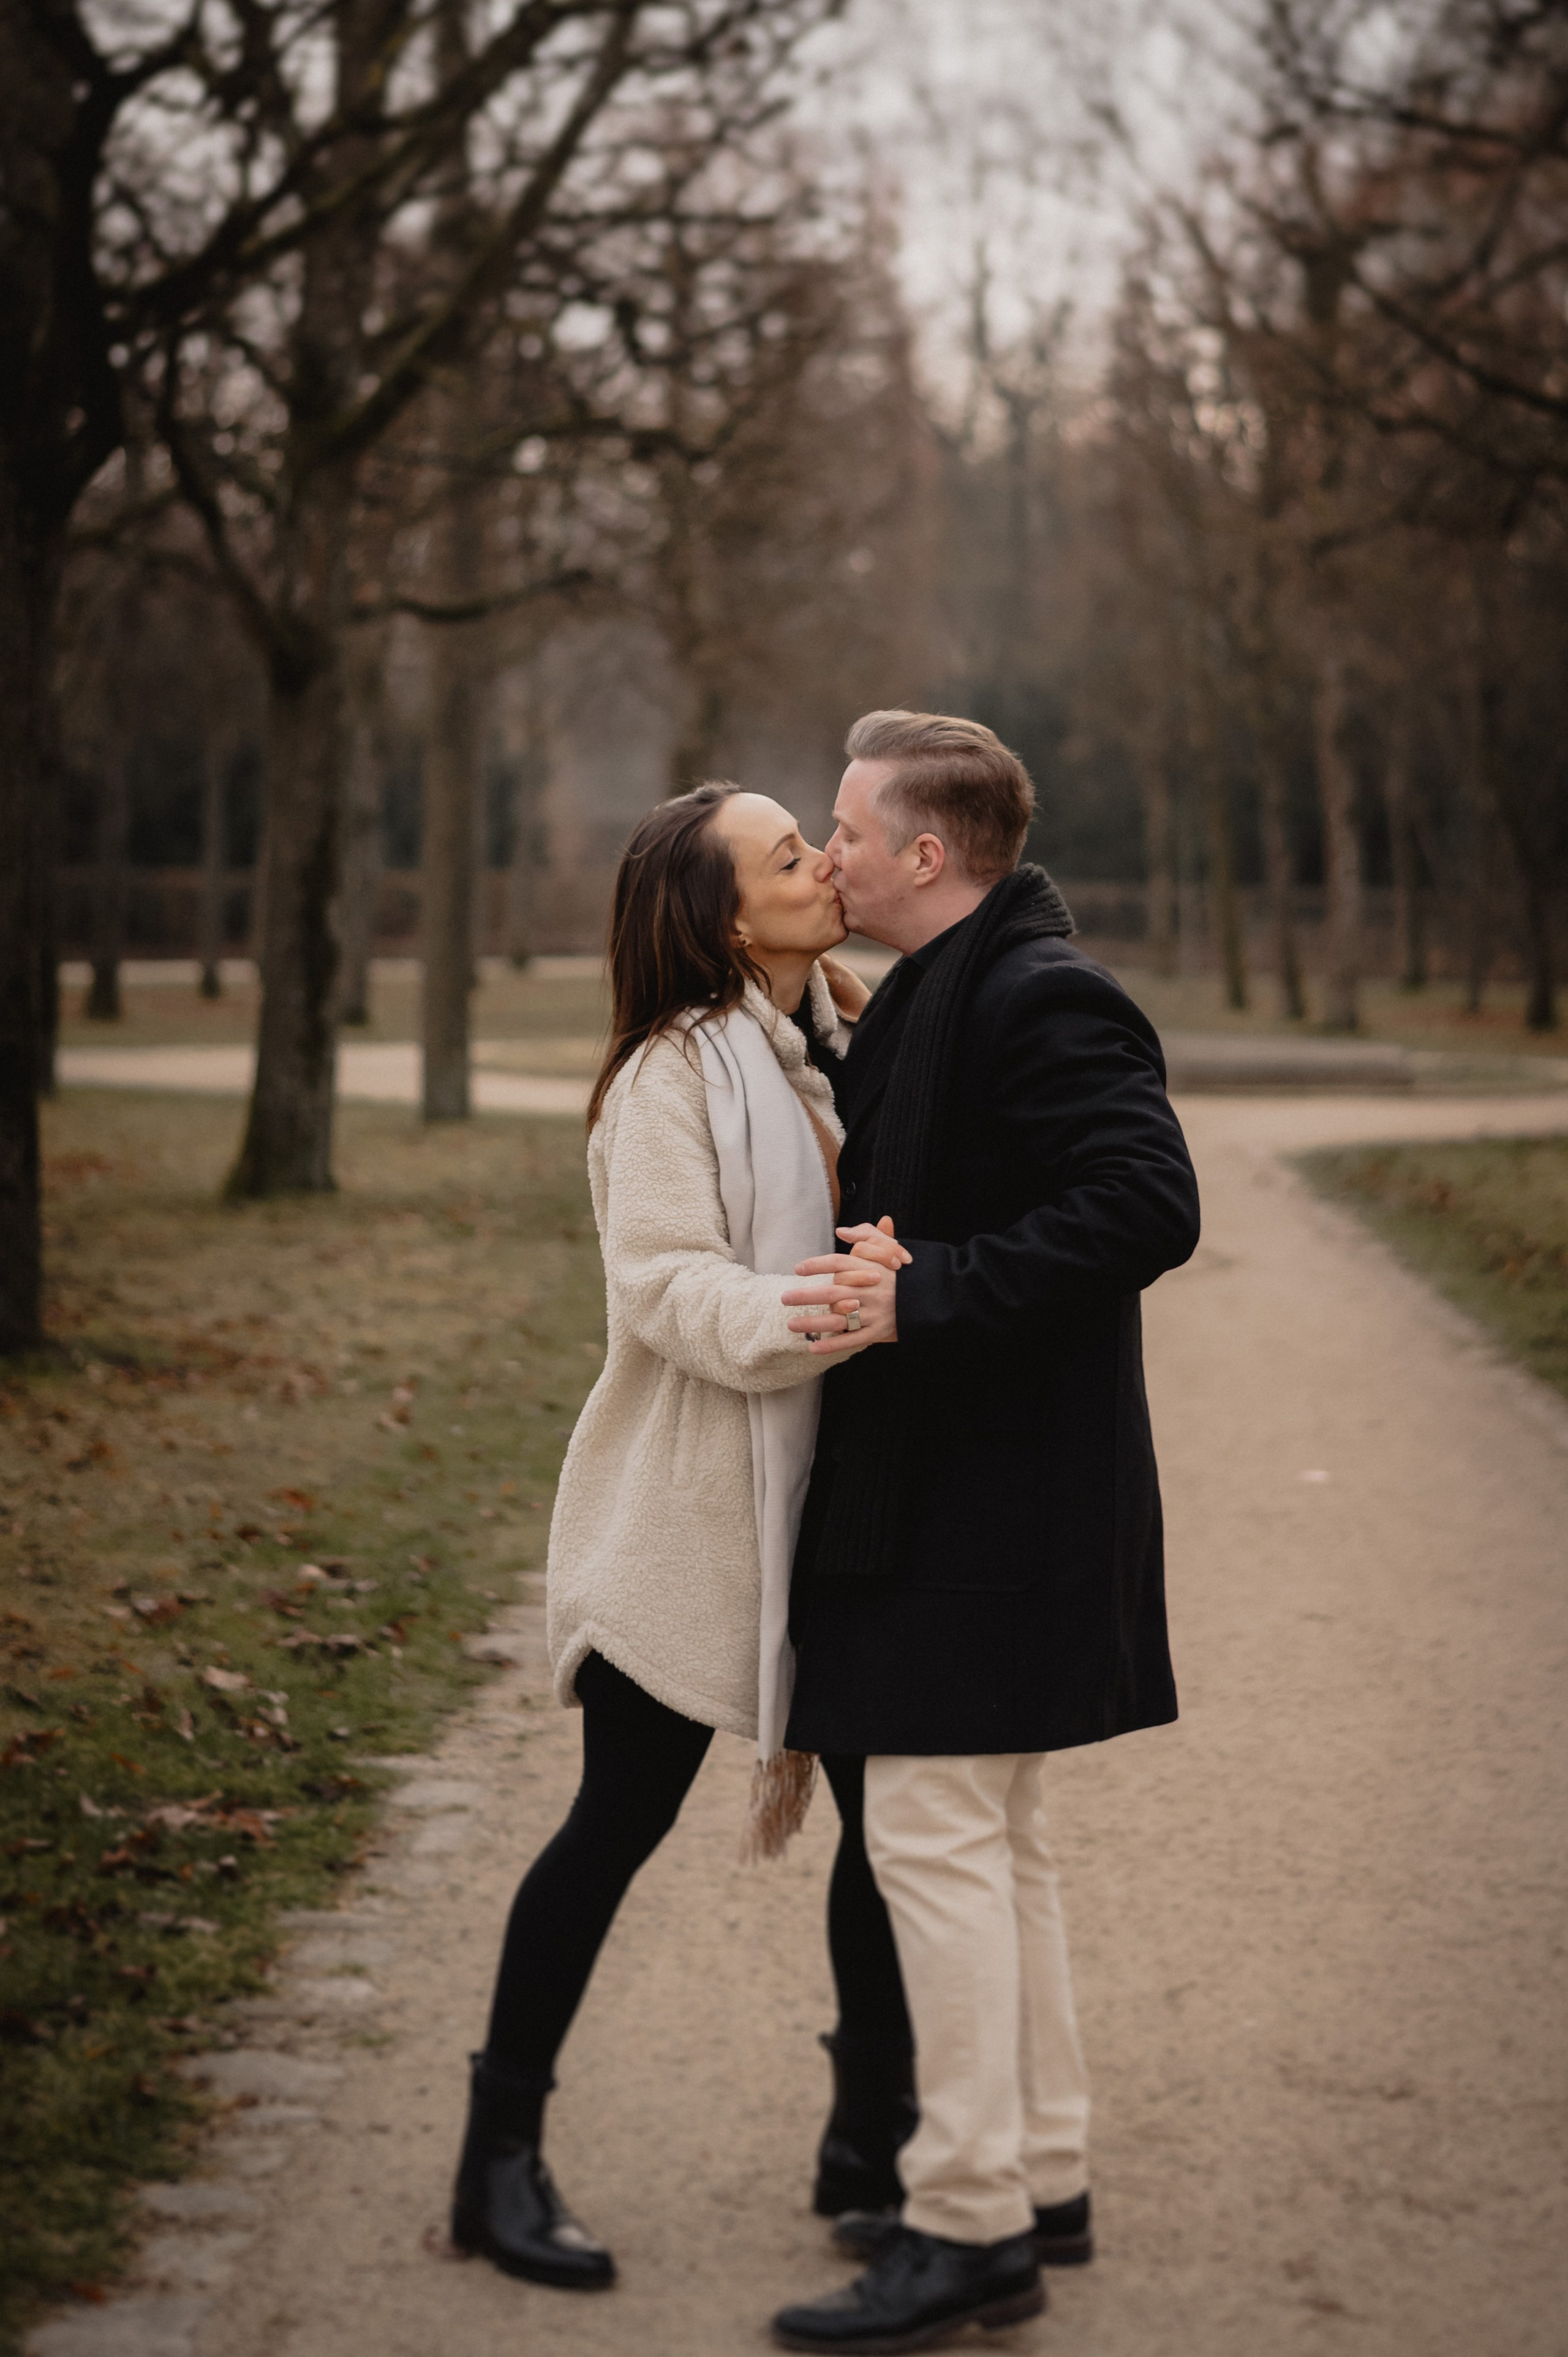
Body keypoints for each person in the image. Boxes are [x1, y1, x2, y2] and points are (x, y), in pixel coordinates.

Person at [768, 711, 1202, 2355]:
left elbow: (1148, 1204)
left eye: (850, 830)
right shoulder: (954, 991)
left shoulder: (1038, 994)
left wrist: (923, 1291)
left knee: (940, 1848)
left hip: (992, 1505)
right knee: (992, 1847)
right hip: (977, 1494)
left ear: (929, 854)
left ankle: (967, 2230)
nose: (831, 855)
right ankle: (1040, 2171)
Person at [449, 780, 902, 2290]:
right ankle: (495, 2158)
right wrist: (827, 1308)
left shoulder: (839, 1041)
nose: (822, 862)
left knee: (885, 1829)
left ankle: (869, 2146)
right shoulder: (671, 1076)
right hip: (693, 1515)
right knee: (613, 1827)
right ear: (722, 917)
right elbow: (662, 1284)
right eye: (790, 853)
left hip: (839, 1504)